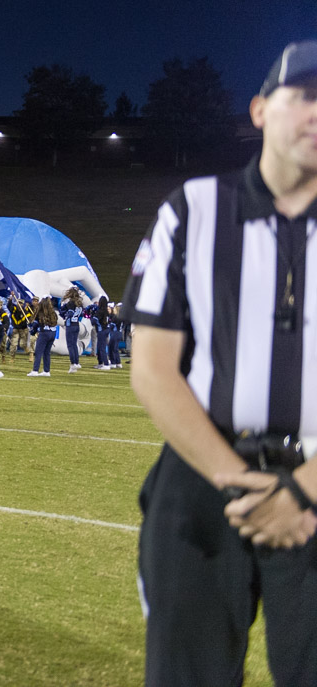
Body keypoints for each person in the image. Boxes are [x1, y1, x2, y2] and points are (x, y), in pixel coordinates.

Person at [125, 40, 317, 686]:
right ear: (260, 109)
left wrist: (302, 489)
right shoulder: (193, 209)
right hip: (205, 480)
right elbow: (152, 367)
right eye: (306, 97)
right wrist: (240, 480)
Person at [27, 297, 58, 377]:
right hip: (53, 333)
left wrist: (32, 329)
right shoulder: (53, 312)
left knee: (38, 352)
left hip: (44, 333)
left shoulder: (40, 312)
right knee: (47, 352)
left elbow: (35, 324)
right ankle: (46, 371)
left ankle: (35, 370)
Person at [59, 287, 85, 373]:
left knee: (70, 345)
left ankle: (73, 363)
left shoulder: (70, 303)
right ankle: (76, 362)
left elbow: (69, 313)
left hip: (70, 325)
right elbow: (82, 314)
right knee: (74, 344)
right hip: (76, 324)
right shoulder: (79, 303)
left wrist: (65, 314)